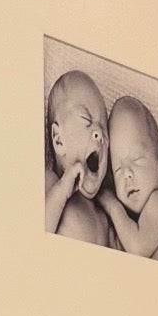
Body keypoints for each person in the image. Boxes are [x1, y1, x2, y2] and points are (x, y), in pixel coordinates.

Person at [97, 96, 158, 261]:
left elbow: (137, 248)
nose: (127, 173)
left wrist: (112, 206)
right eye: (118, 169)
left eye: (137, 159)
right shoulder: (129, 225)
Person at [44, 69, 112, 246]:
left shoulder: (103, 217)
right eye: (86, 121)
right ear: (59, 140)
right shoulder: (51, 183)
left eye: (104, 129)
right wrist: (61, 191)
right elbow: (33, 234)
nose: (99, 133)